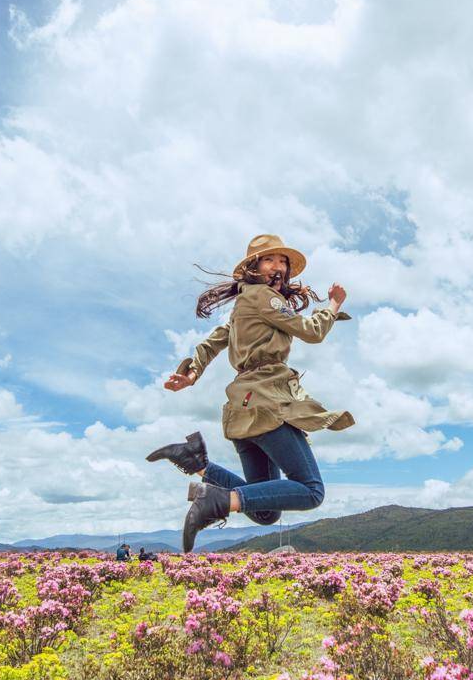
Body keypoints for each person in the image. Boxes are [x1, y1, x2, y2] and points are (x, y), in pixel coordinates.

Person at [147, 233, 354, 552]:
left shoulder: (246, 303)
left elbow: (215, 340)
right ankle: (211, 501)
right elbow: (311, 332)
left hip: (243, 412)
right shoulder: (264, 298)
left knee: (266, 512)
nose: (279, 266)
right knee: (311, 490)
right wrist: (334, 305)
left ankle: (197, 464)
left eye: (283, 261)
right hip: (266, 404)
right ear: (253, 268)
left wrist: (192, 372)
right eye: (269, 259)